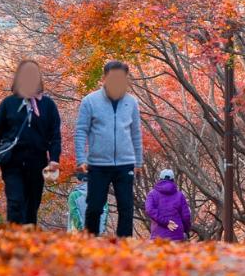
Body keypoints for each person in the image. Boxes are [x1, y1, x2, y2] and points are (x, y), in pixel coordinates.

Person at [0, 58, 62, 227]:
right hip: (13, 162)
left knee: (32, 206)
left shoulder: (47, 105)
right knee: (15, 202)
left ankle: (28, 243)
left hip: (38, 162)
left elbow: (54, 135)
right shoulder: (8, 103)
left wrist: (54, 158)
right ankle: (13, 239)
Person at [75, 59, 143, 238]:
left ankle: (124, 245)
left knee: (126, 207)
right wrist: (81, 159)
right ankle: (90, 240)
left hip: (126, 163)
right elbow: (81, 130)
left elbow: (136, 133)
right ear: (104, 78)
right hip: (97, 164)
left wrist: (139, 162)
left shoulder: (132, 102)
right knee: (95, 206)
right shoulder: (90, 101)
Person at [145, 167, 192, 242]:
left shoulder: (152, 194)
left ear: (160, 179)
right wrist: (186, 230)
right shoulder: (180, 195)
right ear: (173, 180)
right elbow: (186, 216)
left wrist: (165, 222)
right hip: (177, 236)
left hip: (157, 237)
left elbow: (149, 210)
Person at [67, 170, 108, 235]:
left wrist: (82, 231)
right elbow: (105, 212)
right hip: (98, 233)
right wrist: (102, 230)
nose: (76, 182)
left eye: (77, 180)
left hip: (80, 234)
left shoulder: (74, 195)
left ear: (82, 180)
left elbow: (75, 214)